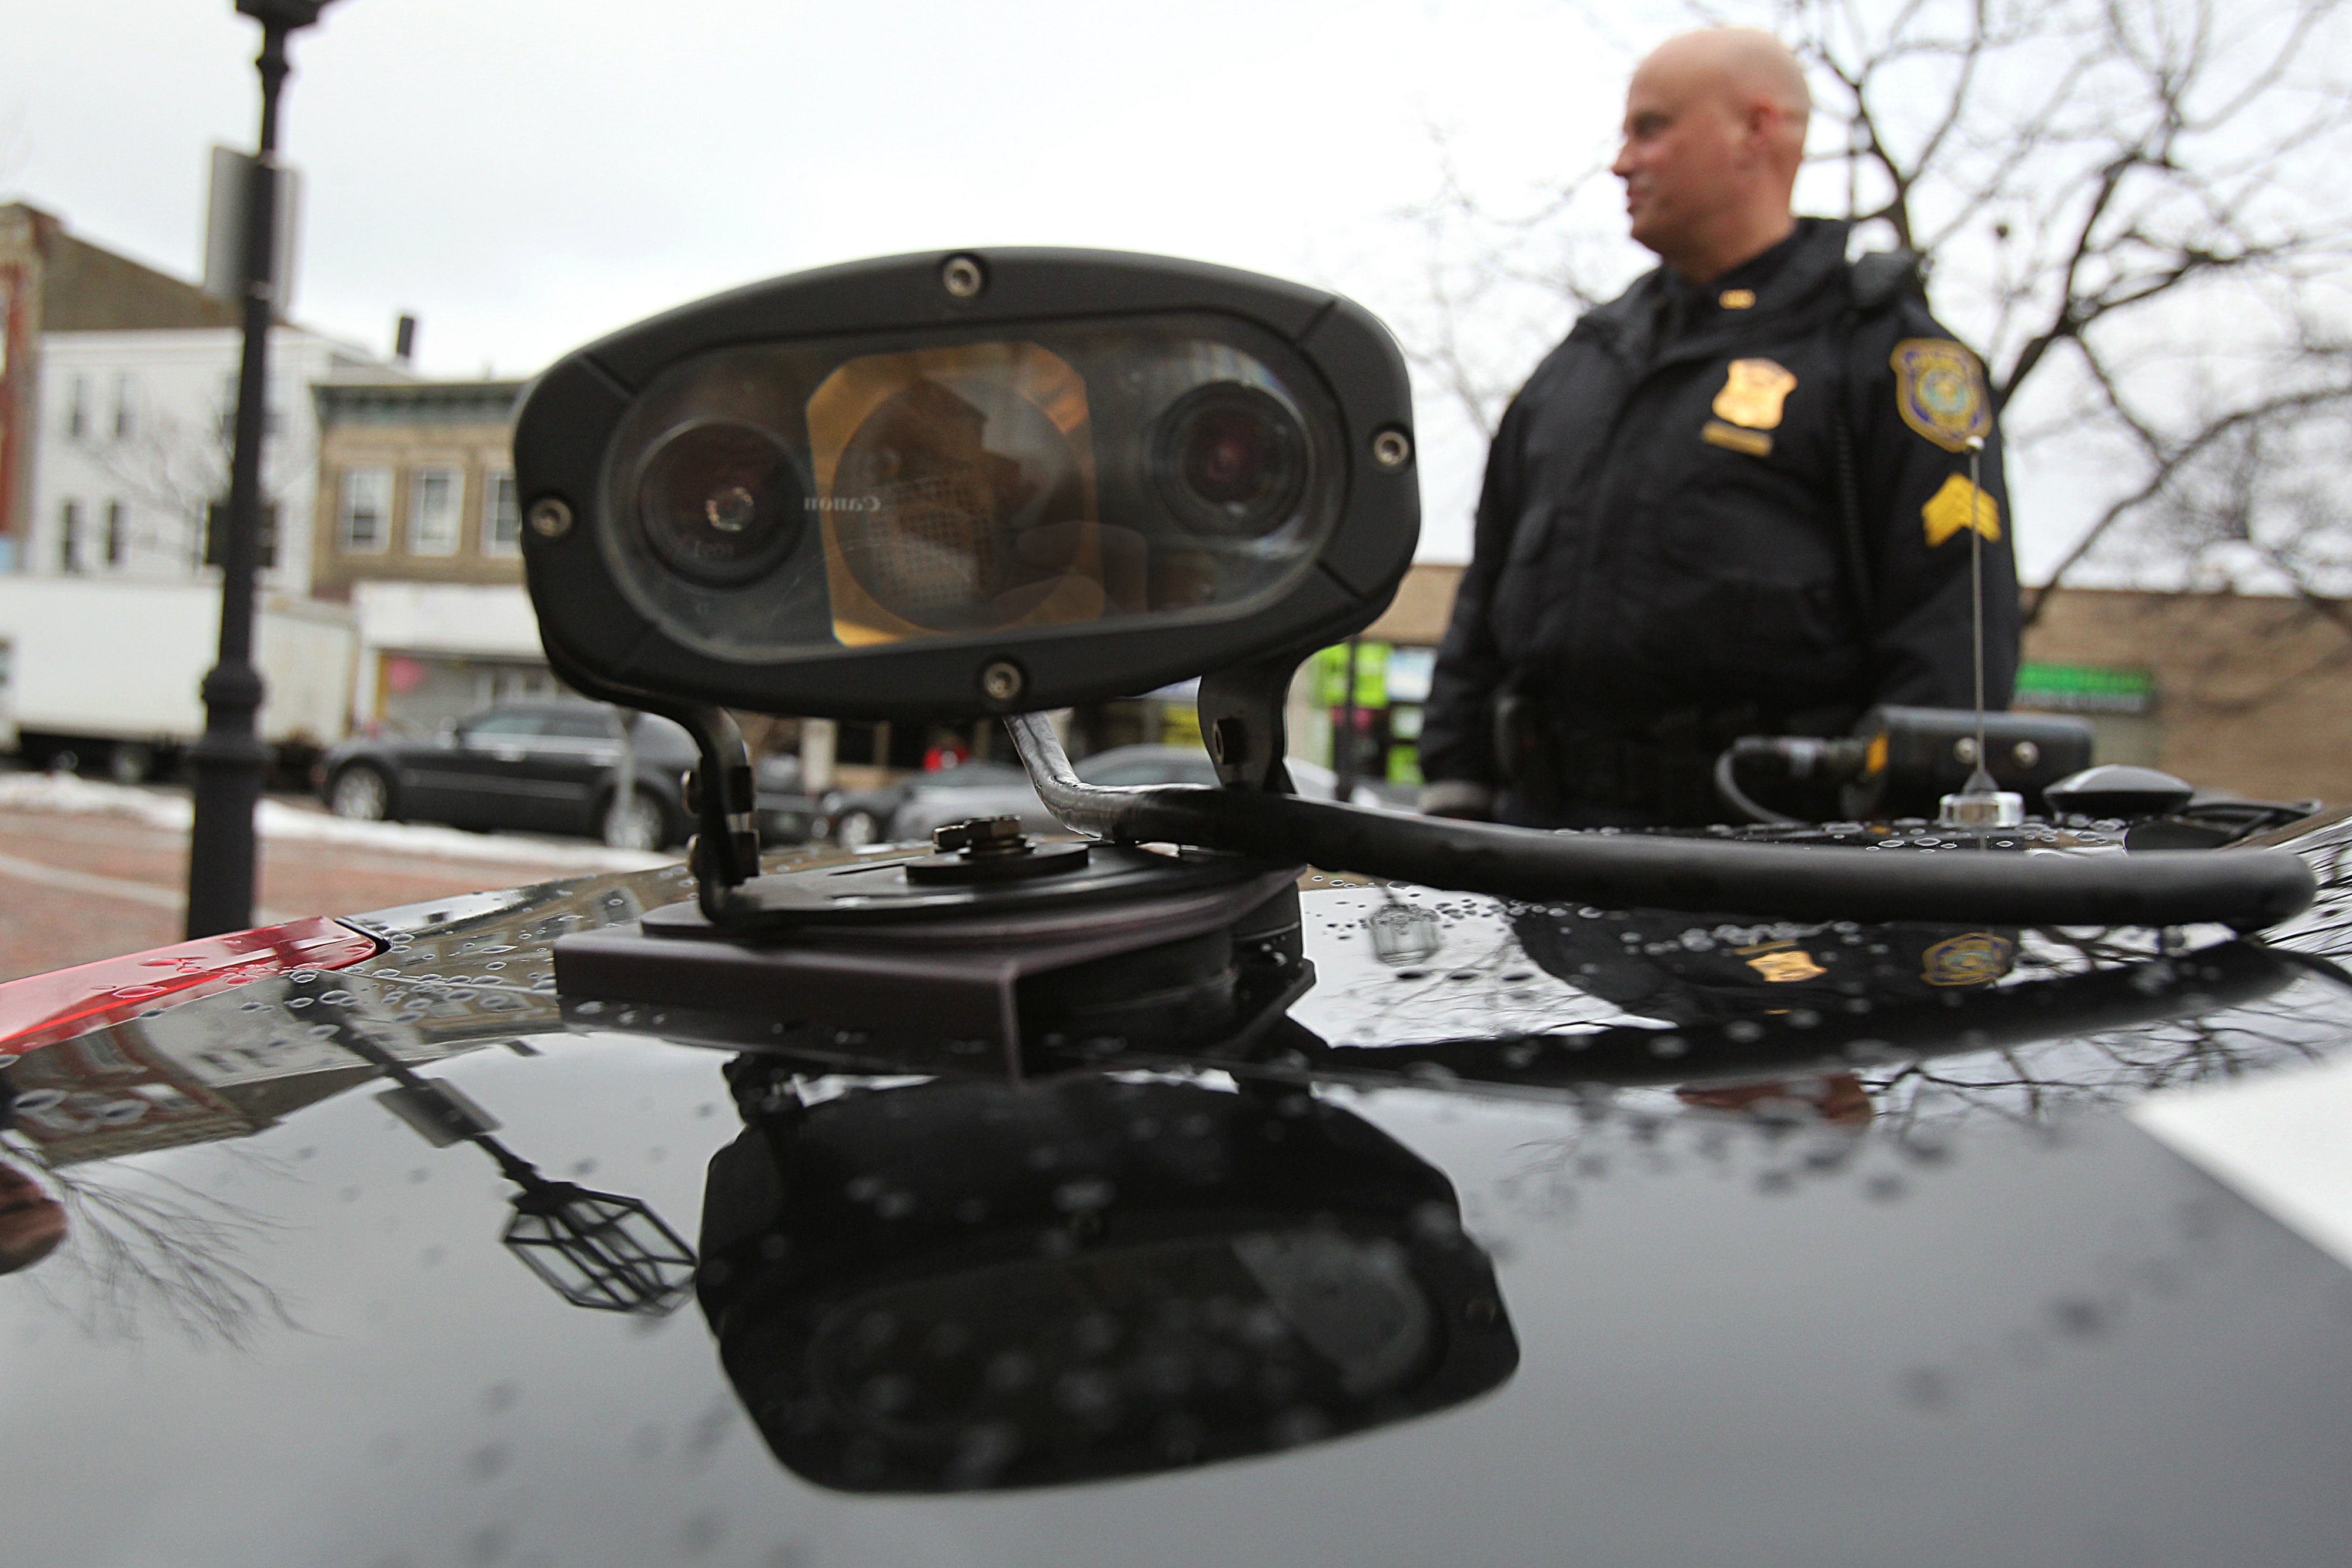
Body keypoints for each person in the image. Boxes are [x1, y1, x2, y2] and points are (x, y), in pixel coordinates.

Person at [1418, 28, 2020, 828]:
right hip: (1544, 850)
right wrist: (1456, 794)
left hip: (1771, 859)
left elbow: (1951, 634)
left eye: (1651, 129)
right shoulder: (1584, 362)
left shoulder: (1882, 357)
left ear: (1755, 130)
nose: (1621, 162)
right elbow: (1486, 595)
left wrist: (1893, 850)